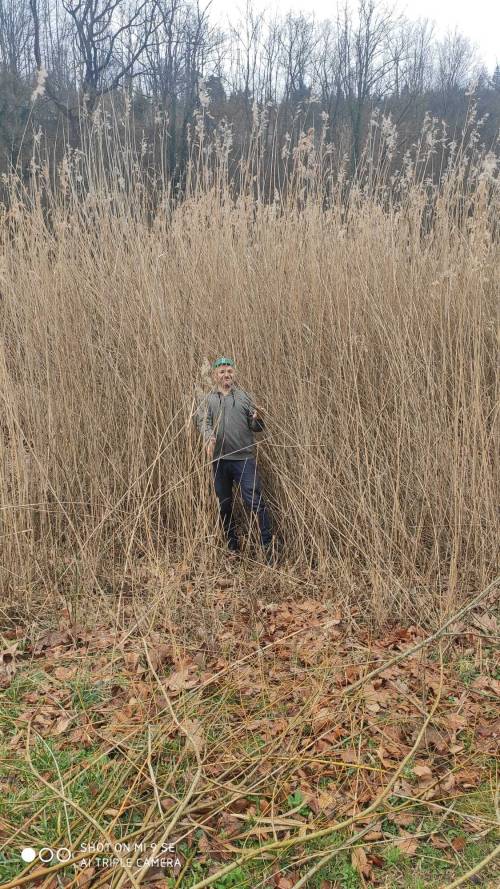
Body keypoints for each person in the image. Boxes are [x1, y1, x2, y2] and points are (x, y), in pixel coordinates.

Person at [195, 357, 278, 564]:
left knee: (255, 502)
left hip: (244, 460)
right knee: (224, 505)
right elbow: (203, 423)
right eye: (222, 371)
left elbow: (257, 428)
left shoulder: (244, 397)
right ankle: (232, 547)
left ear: (234, 374)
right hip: (220, 461)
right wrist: (209, 437)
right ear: (215, 375)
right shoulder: (208, 400)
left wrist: (259, 418)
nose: (226, 375)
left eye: (229, 371)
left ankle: (267, 546)